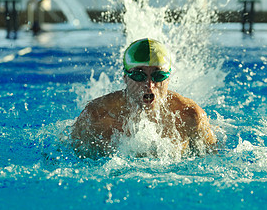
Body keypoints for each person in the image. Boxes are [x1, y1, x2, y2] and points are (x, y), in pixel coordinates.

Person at [61, 38, 218, 158]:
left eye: (158, 75)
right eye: (138, 75)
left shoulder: (190, 116)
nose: (149, 84)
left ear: (168, 78)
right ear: (125, 77)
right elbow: (63, 155)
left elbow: (214, 157)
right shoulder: (97, 116)